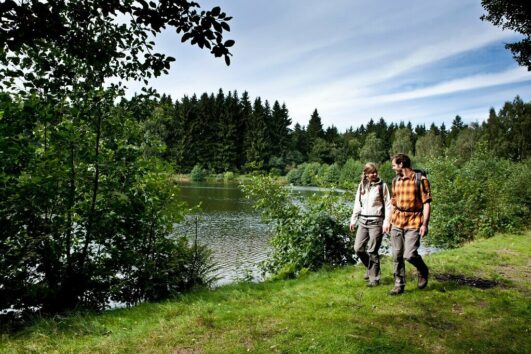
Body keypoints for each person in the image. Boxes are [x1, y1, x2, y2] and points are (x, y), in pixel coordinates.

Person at [388, 153, 432, 295]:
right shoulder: (395, 181)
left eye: (394, 165)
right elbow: (393, 204)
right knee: (397, 255)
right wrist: (389, 221)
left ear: (401, 164)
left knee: (409, 254)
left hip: (414, 221)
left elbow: (426, 204)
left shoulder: (421, 179)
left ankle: (423, 270)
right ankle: (398, 284)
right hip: (397, 221)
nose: (393, 167)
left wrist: (425, 224)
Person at [350, 162, 391, 287]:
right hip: (363, 221)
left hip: (376, 221)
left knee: (372, 250)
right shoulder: (362, 185)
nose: (373, 174)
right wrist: (353, 220)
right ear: (366, 174)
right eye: (370, 172)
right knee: (358, 248)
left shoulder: (382, 186)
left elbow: (388, 205)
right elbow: (358, 204)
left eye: (375, 172)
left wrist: (387, 222)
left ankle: (374, 278)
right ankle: (370, 268)